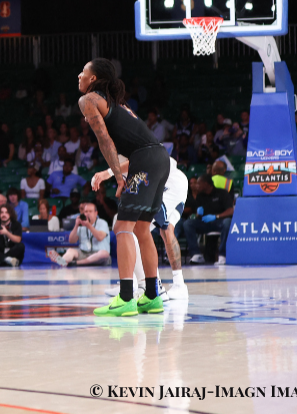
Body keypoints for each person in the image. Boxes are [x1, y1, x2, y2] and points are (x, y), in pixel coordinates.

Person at [78, 58, 169, 317]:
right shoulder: (118, 105)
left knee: (121, 226)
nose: (79, 76)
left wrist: (118, 177)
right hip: (160, 158)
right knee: (141, 228)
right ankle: (152, 296)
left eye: (83, 72)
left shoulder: (89, 100)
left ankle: (126, 297)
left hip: (143, 160)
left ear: (93, 78)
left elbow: (105, 141)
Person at [98, 155, 190, 301]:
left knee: (131, 227)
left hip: (168, 181)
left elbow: (137, 162)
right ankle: (177, 284)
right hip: (169, 180)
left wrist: (107, 173)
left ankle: (152, 286)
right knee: (166, 230)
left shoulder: (124, 141)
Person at [183, 171, 234, 266]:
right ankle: (196, 254)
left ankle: (222, 255)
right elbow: (199, 216)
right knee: (188, 223)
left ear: (206, 184)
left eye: (199, 183)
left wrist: (216, 216)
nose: (197, 186)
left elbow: (231, 210)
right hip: (205, 223)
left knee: (228, 222)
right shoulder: (200, 196)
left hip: (219, 222)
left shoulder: (222, 193)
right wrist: (198, 214)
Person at [47, 202, 111, 267]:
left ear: (96, 213)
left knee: (104, 254)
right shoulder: (81, 225)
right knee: (70, 250)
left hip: (98, 255)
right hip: (84, 253)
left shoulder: (102, 223)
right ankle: (63, 261)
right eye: (86, 211)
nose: (87, 213)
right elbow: (71, 240)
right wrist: (76, 225)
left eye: (90, 211)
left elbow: (100, 237)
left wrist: (88, 225)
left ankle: (77, 263)